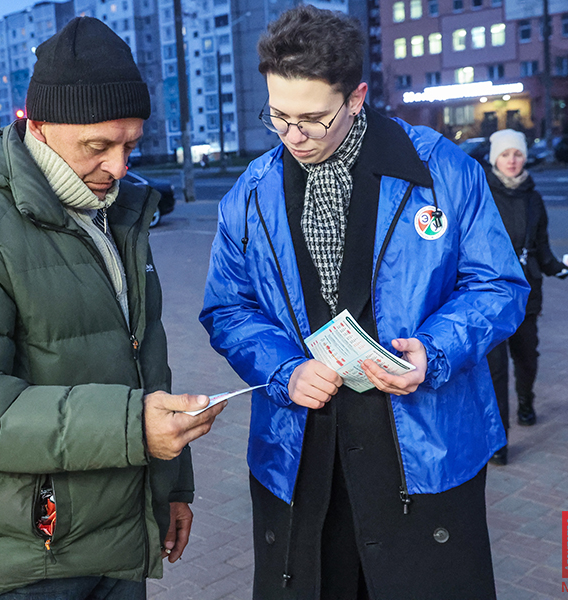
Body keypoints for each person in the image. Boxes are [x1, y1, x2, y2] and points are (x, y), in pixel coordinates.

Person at [199, 6, 529, 598]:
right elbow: (228, 308)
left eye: (311, 119)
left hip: (423, 442)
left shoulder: (442, 170)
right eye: (277, 115)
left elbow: (498, 286)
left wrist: (436, 350)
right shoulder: (249, 193)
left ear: (356, 98)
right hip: (299, 450)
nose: (292, 136)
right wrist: (282, 369)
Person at [0, 17, 223, 599]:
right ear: (39, 127)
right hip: (30, 554)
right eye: (99, 146)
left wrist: (172, 488)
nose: (120, 166)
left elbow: (142, 361)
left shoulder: (119, 213)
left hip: (121, 535)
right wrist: (132, 428)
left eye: (132, 144)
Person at [482, 129, 568, 465]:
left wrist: (556, 267)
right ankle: (498, 441)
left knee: (527, 356)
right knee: (495, 369)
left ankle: (527, 400)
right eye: (506, 154)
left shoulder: (534, 197)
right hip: (491, 293)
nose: (513, 160)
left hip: (527, 292)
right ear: (495, 159)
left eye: (517, 154)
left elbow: (541, 244)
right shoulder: (483, 194)